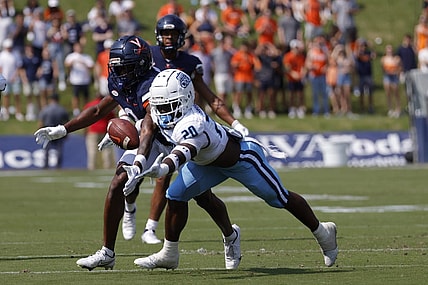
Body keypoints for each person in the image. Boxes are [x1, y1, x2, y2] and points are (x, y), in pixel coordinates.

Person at [34, 35, 241, 271]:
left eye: (125, 67)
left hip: (179, 137)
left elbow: (149, 126)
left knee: (202, 196)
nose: (119, 73)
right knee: (118, 182)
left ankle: (230, 235)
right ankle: (107, 252)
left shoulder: (151, 84)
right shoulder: (123, 79)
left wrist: (140, 161)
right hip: (150, 138)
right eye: (116, 67)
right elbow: (100, 110)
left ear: (141, 64)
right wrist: (63, 129)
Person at [129, 69, 338, 270]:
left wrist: (163, 168)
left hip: (240, 159)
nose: (163, 112)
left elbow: (184, 151)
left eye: (169, 105)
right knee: (175, 196)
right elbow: (147, 130)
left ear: (185, 99)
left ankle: (323, 232)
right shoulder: (159, 111)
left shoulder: (193, 121)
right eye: (160, 106)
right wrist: (137, 161)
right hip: (206, 164)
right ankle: (170, 253)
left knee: (279, 198)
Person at [132, 14, 249, 245]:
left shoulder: (190, 62)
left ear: (182, 37)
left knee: (201, 195)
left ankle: (229, 234)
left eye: (173, 34)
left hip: (183, 127)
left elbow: (211, 98)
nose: (168, 38)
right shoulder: (149, 56)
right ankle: (149, 226)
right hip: (154, 123)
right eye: (165, 33)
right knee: (148, 173)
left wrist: (235, 123)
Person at [83, 94, 116, 170]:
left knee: (92, 151)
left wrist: (85, 131)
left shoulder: (89, 105)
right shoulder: (108, 106)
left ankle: (91, 167)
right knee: (107, 151)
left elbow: (85, 119)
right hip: (105, 130)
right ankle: (108, 167)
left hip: (93, 130)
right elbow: (113, 119)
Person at [37, 93, 69, 168]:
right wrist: (67, 133)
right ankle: (58, 166)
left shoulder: (46, 109)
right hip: (59, 131)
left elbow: (41, 122)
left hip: (48, 131)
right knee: (59, 150)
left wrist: (40, 130)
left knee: (46, 150)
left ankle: (46, 165)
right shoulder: (62, 109)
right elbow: (67, 121)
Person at [64, 42, 95, 116]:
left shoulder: (86, 57)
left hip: (85, 80)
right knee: (75, 96)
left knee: (86, 96)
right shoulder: (71, 56)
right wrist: (72, 63)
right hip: (75, 80)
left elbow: (91, 66)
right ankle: (76, 110)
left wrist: (83, 63)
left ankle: (86, 109)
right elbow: (66, 64)